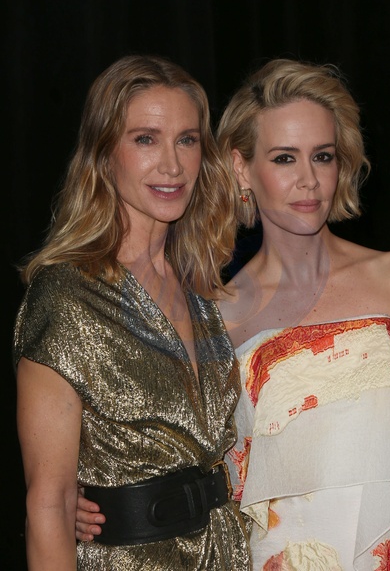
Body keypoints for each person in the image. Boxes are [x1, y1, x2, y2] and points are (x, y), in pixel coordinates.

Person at [75, 58, 390, 570]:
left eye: (322, 156)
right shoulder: (213, 314)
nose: (308, 180)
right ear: (240, 168)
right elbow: (179, 454)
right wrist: (90, 503)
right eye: (284, 158)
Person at [13, 54, 251, 571]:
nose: (172, 165)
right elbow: (50, 505)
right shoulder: (67, 295)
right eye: (146, 139)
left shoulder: (202, 290)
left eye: (187, 140)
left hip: (225, 554)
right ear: (104, 154)